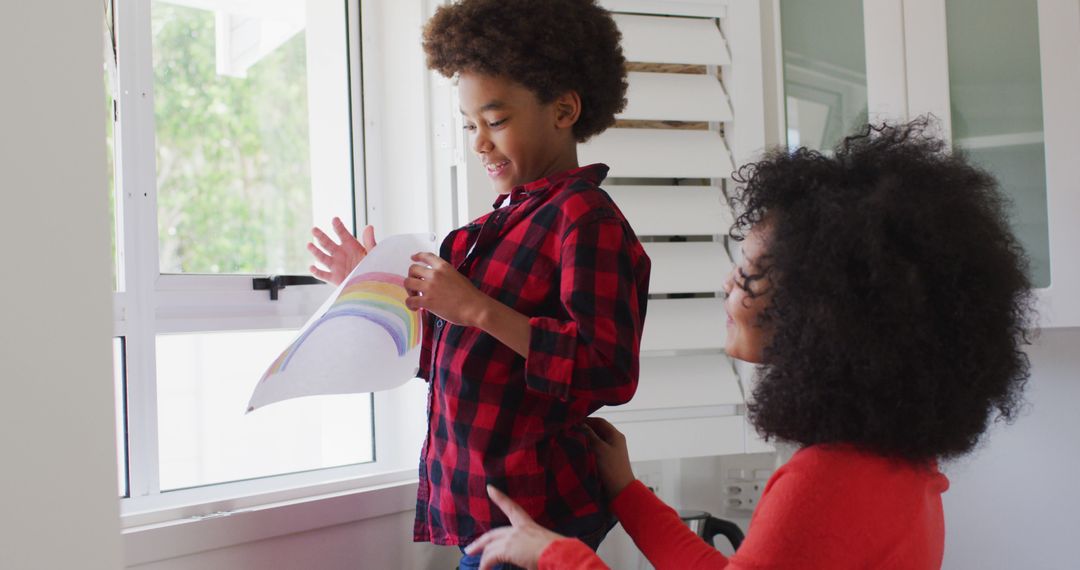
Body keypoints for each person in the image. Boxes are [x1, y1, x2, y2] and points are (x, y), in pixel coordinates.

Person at [463, 120, 1035, 569]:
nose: (726, 287)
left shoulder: (824, 480)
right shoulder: (899, 463)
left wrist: (553, 556)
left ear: (820, 306)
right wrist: (628, 492)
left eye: (747, 275)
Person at [306, 1, 650, 567]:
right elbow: (451, 359)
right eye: (470, 125)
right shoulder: (481, 235)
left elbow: (608, 370)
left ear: (564, 109)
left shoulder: (585, 220)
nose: (478, 143)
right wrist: (372, 288)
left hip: (540, 513)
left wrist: (477, 309)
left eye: (495, 121)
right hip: (481, 503)